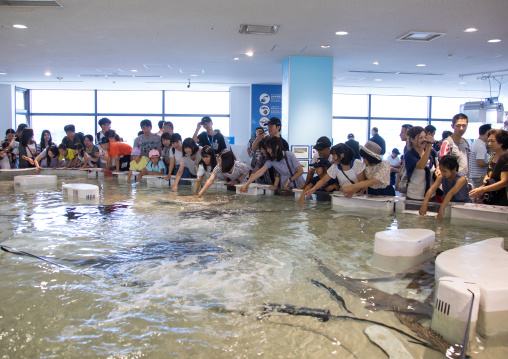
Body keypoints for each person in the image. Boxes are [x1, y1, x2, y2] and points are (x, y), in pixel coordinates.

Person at [239, 137, 304, 193]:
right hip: (285, 185)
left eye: (269, 148)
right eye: (267, 148)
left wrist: (289, 180)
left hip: (298, 183)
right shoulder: (270, 160)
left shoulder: (289, 154)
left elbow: (300, 171)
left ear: (277, 147)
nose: (268, 151)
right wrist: (246, 184)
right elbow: (259, 172)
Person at [469, 129, 508, 206]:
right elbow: (489, 173)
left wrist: (483, 189)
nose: (489, 144)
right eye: (488, 141)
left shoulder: (505, 158)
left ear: (501, 143)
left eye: (492, 141)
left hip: (503, 198)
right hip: (493, 195)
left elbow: (504, 182)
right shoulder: (493, 156)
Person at [404, 126, 436, 200]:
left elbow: (435, 166)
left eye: (425, 137)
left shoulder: (430, 153)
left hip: (431, 195)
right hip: (415, 196)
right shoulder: (409, 154)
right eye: (420, 138)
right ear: (412, 139)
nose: (424, 140)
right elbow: (420, 166)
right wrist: (428, 148)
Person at [440, 113, 470, 182]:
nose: (461, 128)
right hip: (452, 182)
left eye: (464, 126)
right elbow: (442, 164)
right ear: (452, 126)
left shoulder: (466, 142)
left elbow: (467, 163)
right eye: (458, 126)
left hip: (463, 181)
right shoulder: (447, 143)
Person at [469, 124, 492, 188]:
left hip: (475, 175)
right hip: (480, 176)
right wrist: (490, 164)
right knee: (481, 196)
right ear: (487, 133)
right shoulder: (481, 146)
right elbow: (480, 163)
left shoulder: (475, 143)